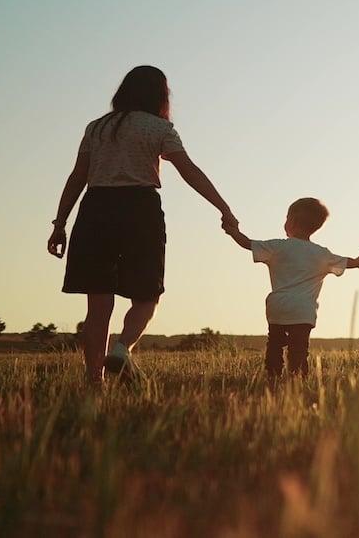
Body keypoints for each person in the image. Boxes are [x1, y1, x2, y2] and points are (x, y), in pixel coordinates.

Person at [47, 65, 238, 384]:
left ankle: (95, 383)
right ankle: (121, 349)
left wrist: (60, 223)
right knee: (148, 294)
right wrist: (224, 208)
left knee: (98, 305)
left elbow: (78, 176)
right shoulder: (159, 128)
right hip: (139, 210)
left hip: (96, 210)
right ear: (161, 96)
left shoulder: (97, 128)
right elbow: (190, 171)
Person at [224, 198, 359, 378]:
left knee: (274, 344)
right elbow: (351, 263)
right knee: (298, 348)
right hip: (303, 310)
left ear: (291, 221)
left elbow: (246, 243)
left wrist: (233, 231)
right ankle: (297, 379)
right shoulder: (322, 254)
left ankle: (273, 376)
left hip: (278, 306)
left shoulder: (278, 246)